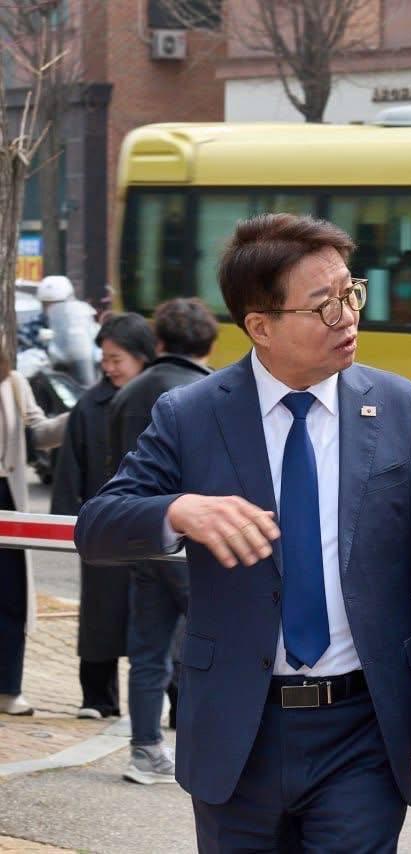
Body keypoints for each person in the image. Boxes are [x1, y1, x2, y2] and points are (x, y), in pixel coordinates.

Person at [75, 212, 411, 849]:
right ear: (260, 326)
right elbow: (96, 527)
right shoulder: (193, 414)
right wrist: (178, 511)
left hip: (363, 729)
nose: (347, 317)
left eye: (351, 294)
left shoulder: (403, 410)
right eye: (324, 306)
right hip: (240, 727)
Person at [105, 298, 219, 784]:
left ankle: (145, 750)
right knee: (213, 645)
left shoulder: (128, 394)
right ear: (211, 342)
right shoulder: (205, 395)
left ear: (158, 343)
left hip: (142, 537)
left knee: (148, 651)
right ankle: (207, 747)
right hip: (193, 544)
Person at [51, 312, 157, 720]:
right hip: (105, 529)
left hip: (154, 527)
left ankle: (176, 701)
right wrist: (66, 523)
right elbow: (70, 468)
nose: (109, 367)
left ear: (141, 357)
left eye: (118, 359)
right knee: (100, 616)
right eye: (105, 359)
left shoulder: (165, 400)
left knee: (160, 620)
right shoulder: (89, 405)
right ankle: (97, 698)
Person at [0, 355, 69, 717]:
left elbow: (38, 434)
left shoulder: (13, 382)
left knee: (11, 596)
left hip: (7, 496)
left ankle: (9, 687)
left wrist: (75, 418)